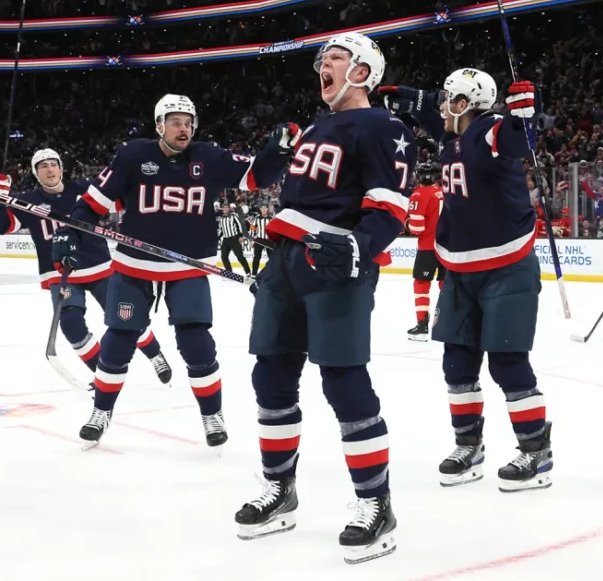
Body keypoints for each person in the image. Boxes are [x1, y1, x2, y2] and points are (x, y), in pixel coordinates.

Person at [235, 31, 414, 565]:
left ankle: (375, 502)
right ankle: (279, 489)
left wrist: (359, 248)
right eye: (322, 60)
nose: (324, 66)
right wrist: (272, 234)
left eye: (335, 58)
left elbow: (390, 206)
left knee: (342, 378)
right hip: (286, 266)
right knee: (270, 374)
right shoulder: (314, 126)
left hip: (335, 267)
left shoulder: (383, 125)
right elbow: (293, 196)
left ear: (362, 71)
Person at [56, 94, 298, 449]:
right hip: (134, 264)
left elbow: (255, 176)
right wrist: (68, 232)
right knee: (119, 341)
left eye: (188, 122)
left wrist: (276, 153)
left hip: (187, 266)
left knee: (197, 343)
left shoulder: (210, 157)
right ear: (159, 126)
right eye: (175, 122)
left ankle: (211, 413)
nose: (183, 128)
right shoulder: (133, 155)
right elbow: (91, 205)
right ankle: (101, 411)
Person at [378, 71, 553, 493]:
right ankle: (468, 445)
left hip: (506, 265)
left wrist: (526, 112)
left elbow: (518, 139)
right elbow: (430, 113)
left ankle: (535, 451)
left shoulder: (490, 129)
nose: (441, 108)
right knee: (456, 364)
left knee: (508, 362)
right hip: (459, 267)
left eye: (447, 100)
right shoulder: (452, 133)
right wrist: (408, 94)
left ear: (463, 104)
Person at [0, 149, 171, 384]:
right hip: (60, 273)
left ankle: (155, 355)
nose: (50, 169)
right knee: (72, 326)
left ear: (61, 169)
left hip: (99, 267)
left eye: (53, 164)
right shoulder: (28, 202)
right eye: (43, 166)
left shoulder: (85, 190)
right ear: (36, 173)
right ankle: (104, 372)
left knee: (127, 317)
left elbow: (122, 200)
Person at [405, 160, 444, 341]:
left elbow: (417, 228)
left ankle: (422, 326)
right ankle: (446, 324)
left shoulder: (418, 195)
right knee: (447, 285)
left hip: (428, 247)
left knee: (421, 284)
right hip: (446, 247)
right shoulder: (441, 192)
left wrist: (407, 223)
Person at [217, 204, 250, 275]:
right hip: (226, 240)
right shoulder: (221, 218)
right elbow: (221, 230)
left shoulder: (233, 216)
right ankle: (229, 272)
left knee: (240, 257)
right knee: (224, 257)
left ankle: (248, 272)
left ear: (229, 208)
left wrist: (241, 236)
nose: (225, 209)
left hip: (234, 239)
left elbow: (240, 225)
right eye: (224, 207)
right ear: (222, 209)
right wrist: (218, 238)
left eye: (226, 207)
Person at [247, 205, 272, 277]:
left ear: (267, 209)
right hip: (259, 240)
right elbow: (252, 228)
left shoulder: (271, 219)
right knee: (256, 257)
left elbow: (274, 231)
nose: (264, 210)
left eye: (265, 208)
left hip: (269, 240)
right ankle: (254, 274)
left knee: (272, 258)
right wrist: (251, 240)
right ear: (260, 209)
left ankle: (271, 274)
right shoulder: (257, 218)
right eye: (262, 208)